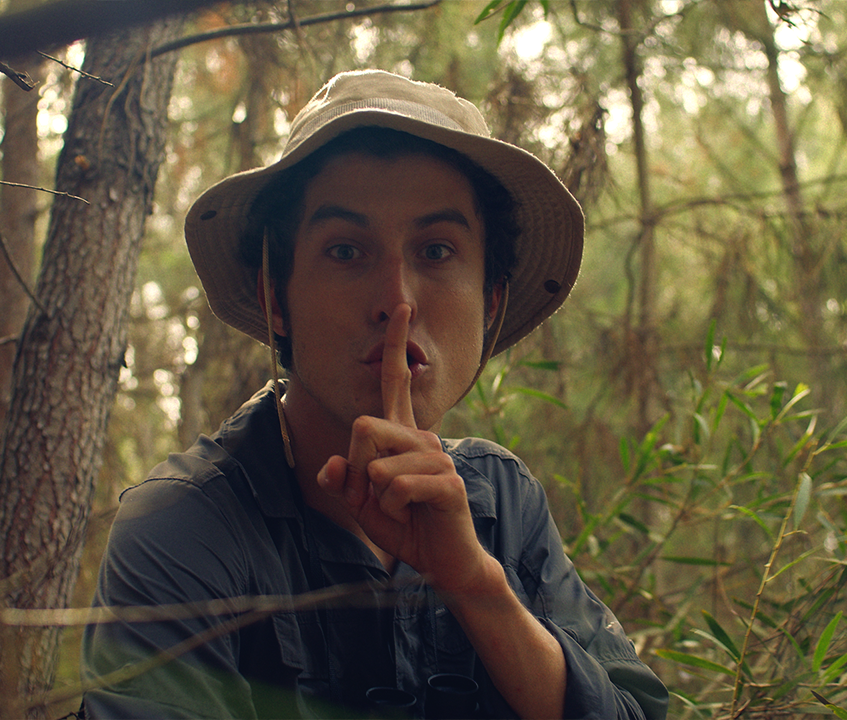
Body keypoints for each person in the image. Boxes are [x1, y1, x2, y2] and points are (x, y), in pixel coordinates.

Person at [81, 69, 667, 720]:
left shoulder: (501, 501)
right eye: (345, 251)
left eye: (437, 251)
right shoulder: (182, 527)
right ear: (276, 296)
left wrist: (473, 581)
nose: (397, 301)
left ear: (490, 301)